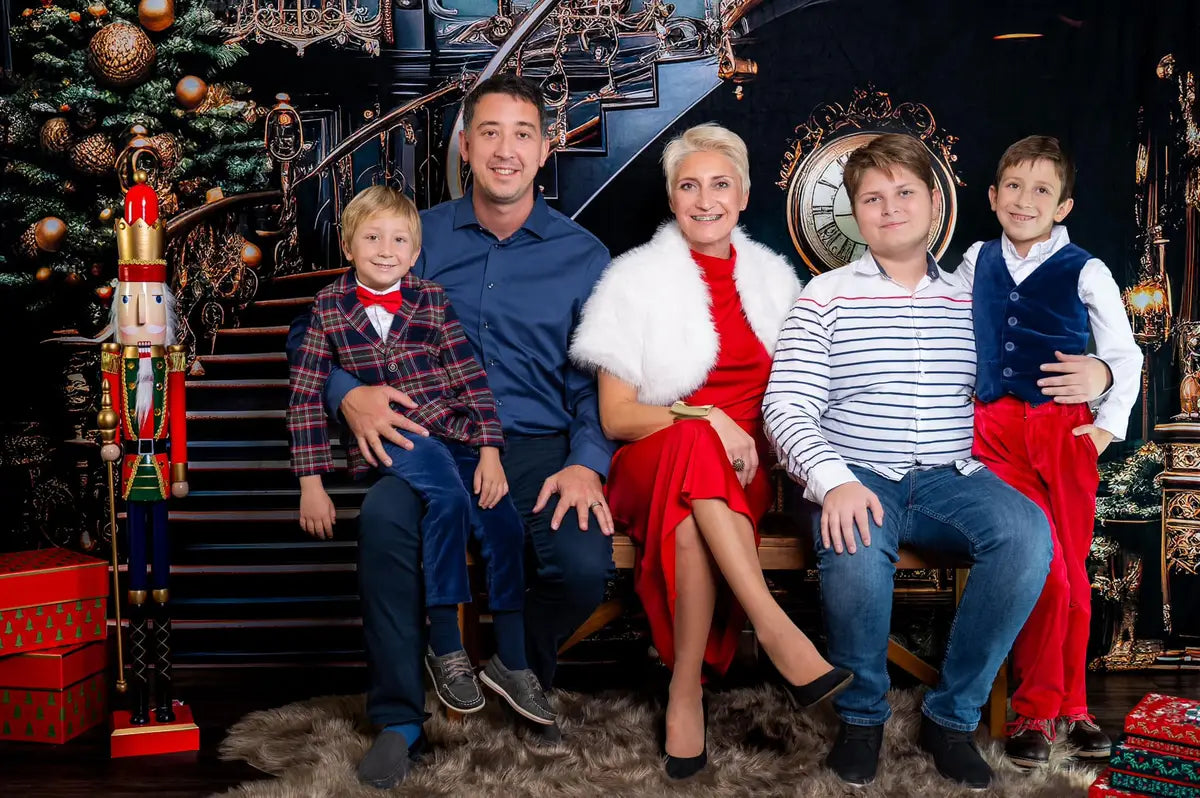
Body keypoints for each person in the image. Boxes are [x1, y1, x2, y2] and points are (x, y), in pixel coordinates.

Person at [289, 74, 616, 789]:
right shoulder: (416, 235)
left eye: (522, 134)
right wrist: (349, 396)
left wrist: (587, 461)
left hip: (537, 446)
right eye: (489, 133)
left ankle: (514, 666)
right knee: (384, 524)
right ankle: (400, 719)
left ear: (546, 148)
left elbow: (597, 378)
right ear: (465, 146)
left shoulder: (585, 257)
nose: (505, 150)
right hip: (427, 441)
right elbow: (310, 332)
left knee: (583, 564)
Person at [762, 133, 1113, 790]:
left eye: (904, 193)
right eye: (873, 198)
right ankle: (862, 719)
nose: (890, 208)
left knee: (1027, 535)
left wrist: (1103, 373)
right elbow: (785, 406)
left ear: (934, 203)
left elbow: (1032, 358)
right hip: (858, 472)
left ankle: (951, 718)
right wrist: (832, 482)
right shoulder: (824, 297)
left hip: (953, 476)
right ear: (856, 214)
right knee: (854, 546)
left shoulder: (973, 295)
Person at [570, 123, 852, 780]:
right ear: (672, 198)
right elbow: (615, 417)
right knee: (696, 444)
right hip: (649, 461)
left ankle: (684, 691)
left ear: (743, 195)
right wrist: (704, 416)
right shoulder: (633, 280)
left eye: (720, 185)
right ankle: (773, 626)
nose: (705, 200)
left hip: (743, 473)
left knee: (694, 525)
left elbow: (804, 397)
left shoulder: (776, 281)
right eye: (689, 186)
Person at [286, 186, 555, 728]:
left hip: (454, 432)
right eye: (372, 238)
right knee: (449, 501)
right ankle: (446, 643)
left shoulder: (430, 298)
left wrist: (489, 450)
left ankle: (510, 658)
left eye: (398, 241)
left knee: (502, 521)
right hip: (397, 437)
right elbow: (305, 396)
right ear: (347, 246)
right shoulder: (327, 308)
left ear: (414, 253)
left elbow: (470, 378)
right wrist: (311, 483)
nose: (385, 251)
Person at [956, 136, 1141, 768]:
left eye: (1041, 190)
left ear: (1063, 206)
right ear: (992, 196)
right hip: (997, 435)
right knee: (1044, 572)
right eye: (1013, 186)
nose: (1024, 199)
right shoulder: (976, 259)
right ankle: (1035, 711)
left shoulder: (1085, 269)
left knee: (1074, 576)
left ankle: (1075, 708)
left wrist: (1105, 415)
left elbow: (1125, 354)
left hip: (1064, 435)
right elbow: (952, 333)